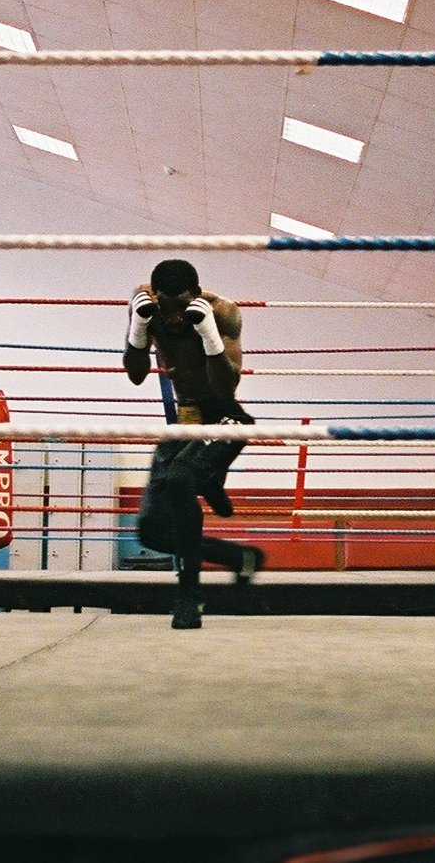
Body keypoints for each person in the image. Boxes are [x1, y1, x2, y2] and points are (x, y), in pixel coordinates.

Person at [122, 259, 265, 629]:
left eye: (179, 307)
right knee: (151, 530)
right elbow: (137, 375)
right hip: (186, 420)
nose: (171, 318)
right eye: (163, 307)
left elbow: (226, 387)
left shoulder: (222, 312)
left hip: (225, 416)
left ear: (196, 297)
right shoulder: (146, 306)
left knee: (180, 478)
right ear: (155, 296)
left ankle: (189, 596)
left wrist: (209, 336)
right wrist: (139, 328)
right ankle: (238, 556)